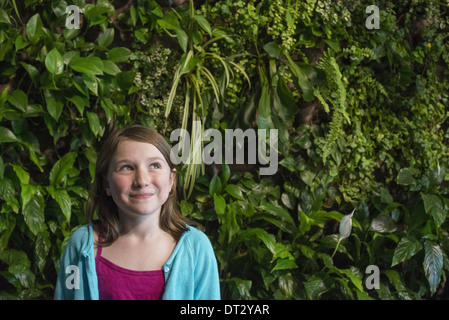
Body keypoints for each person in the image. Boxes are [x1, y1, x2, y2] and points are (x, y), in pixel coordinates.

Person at [54, 125, 220, 300]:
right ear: (107, 183)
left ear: (171, 179)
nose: (141, 181)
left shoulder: (197, 248)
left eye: (154, 165)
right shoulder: (80, 245)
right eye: (126, 167)